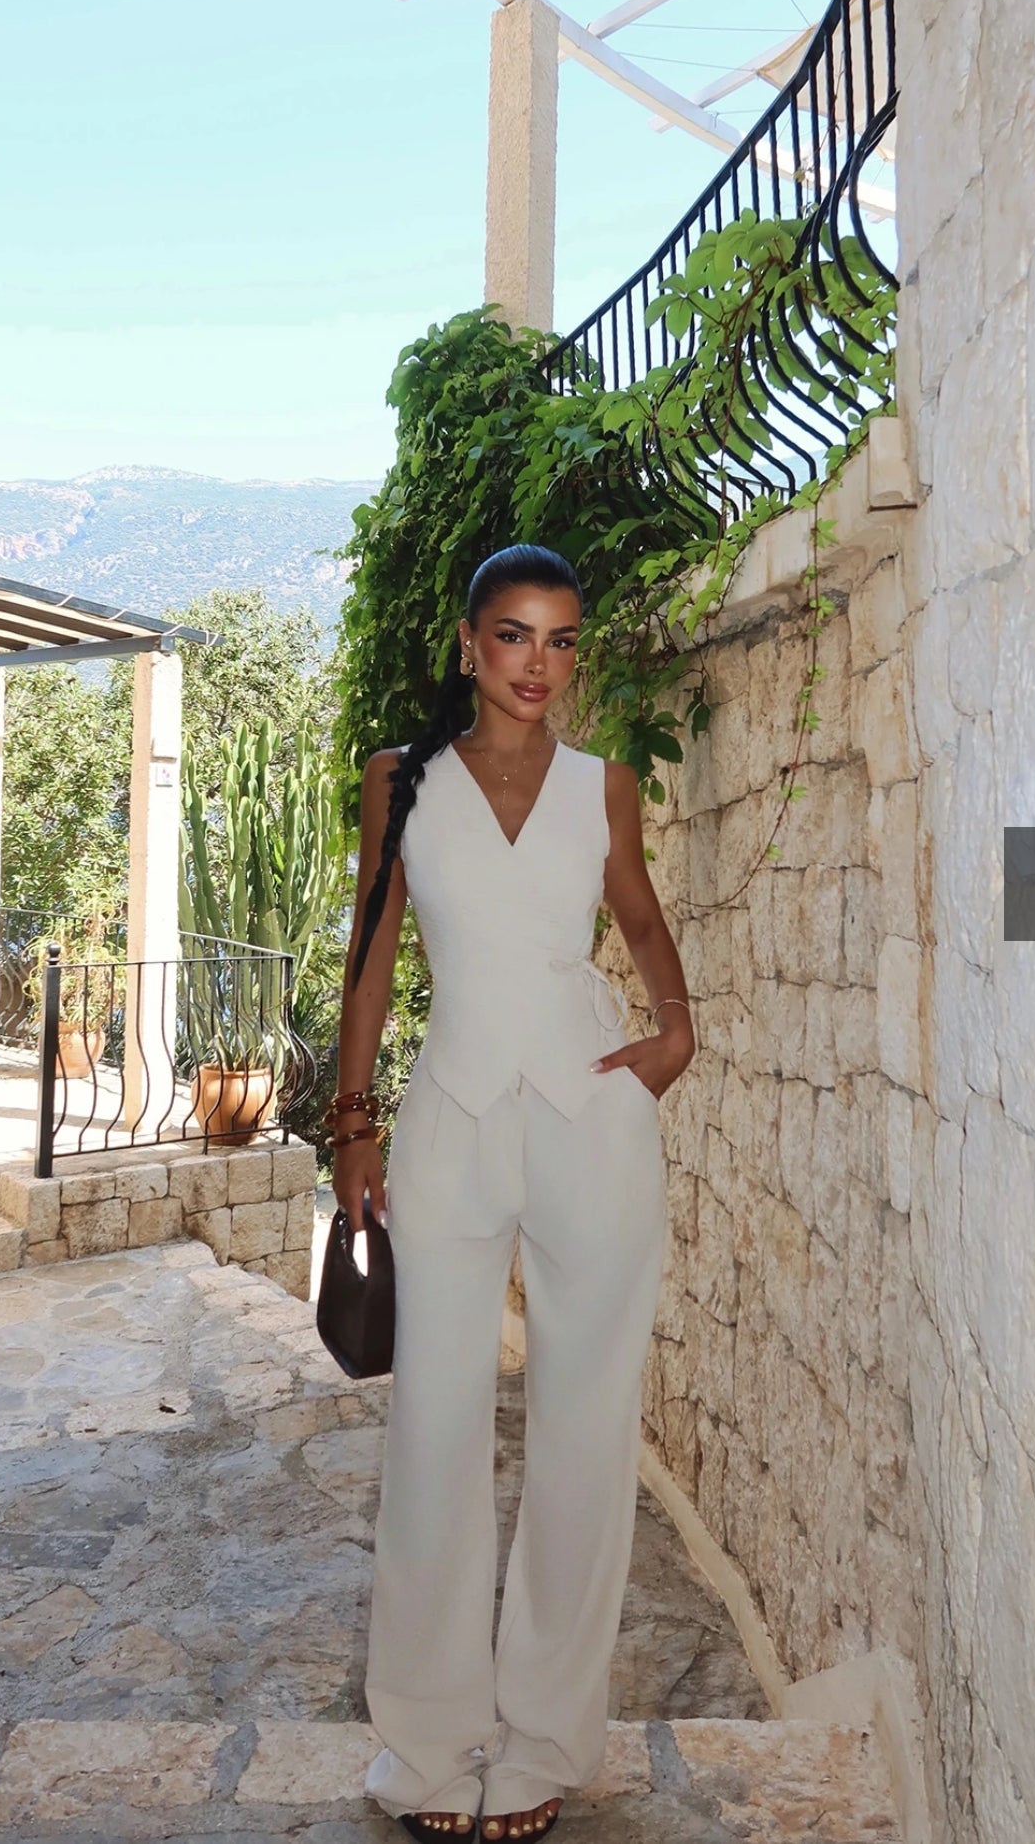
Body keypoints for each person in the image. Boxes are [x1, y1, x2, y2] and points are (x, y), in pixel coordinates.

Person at [329, 544, 696, 1842]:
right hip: (450, 1122)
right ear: (468, 644)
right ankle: (428, 1747)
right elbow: (372, 953)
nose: (540, 663)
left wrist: (675, 1026)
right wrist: (353, 1125)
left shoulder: (605, 786)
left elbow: (638, 919)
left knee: (584, 1427)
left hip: (591, 1118)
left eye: (561, 639)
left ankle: (542, 1741)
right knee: (432, 1429)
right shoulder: (401, 781)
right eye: (514, 635)